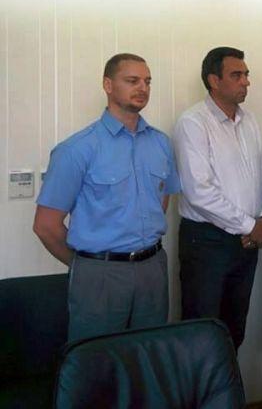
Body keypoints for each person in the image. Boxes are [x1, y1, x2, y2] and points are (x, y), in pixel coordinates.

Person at [33, 53, 180, 341]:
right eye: (132, 80)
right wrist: (86, 266)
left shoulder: (161, 143)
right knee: (97, 360)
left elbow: (161, 200)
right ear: (108, 85)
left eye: (147, 81)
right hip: (100, 275)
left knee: (149, 355)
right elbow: (46, 225)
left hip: (152, 269)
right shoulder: (77, 149)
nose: (143, 88)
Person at [173, 47, 262, 350]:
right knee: (202, 333)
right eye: (237, 75)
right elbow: (199, 191)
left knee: (234, 330)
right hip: (207, 242)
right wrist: (250, 226)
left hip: (247, 241)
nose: (246, 82)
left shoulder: (249, 121)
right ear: (214, 81)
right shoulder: (193, 122)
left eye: (246, 75)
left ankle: (227, 383)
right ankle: (200, 385)